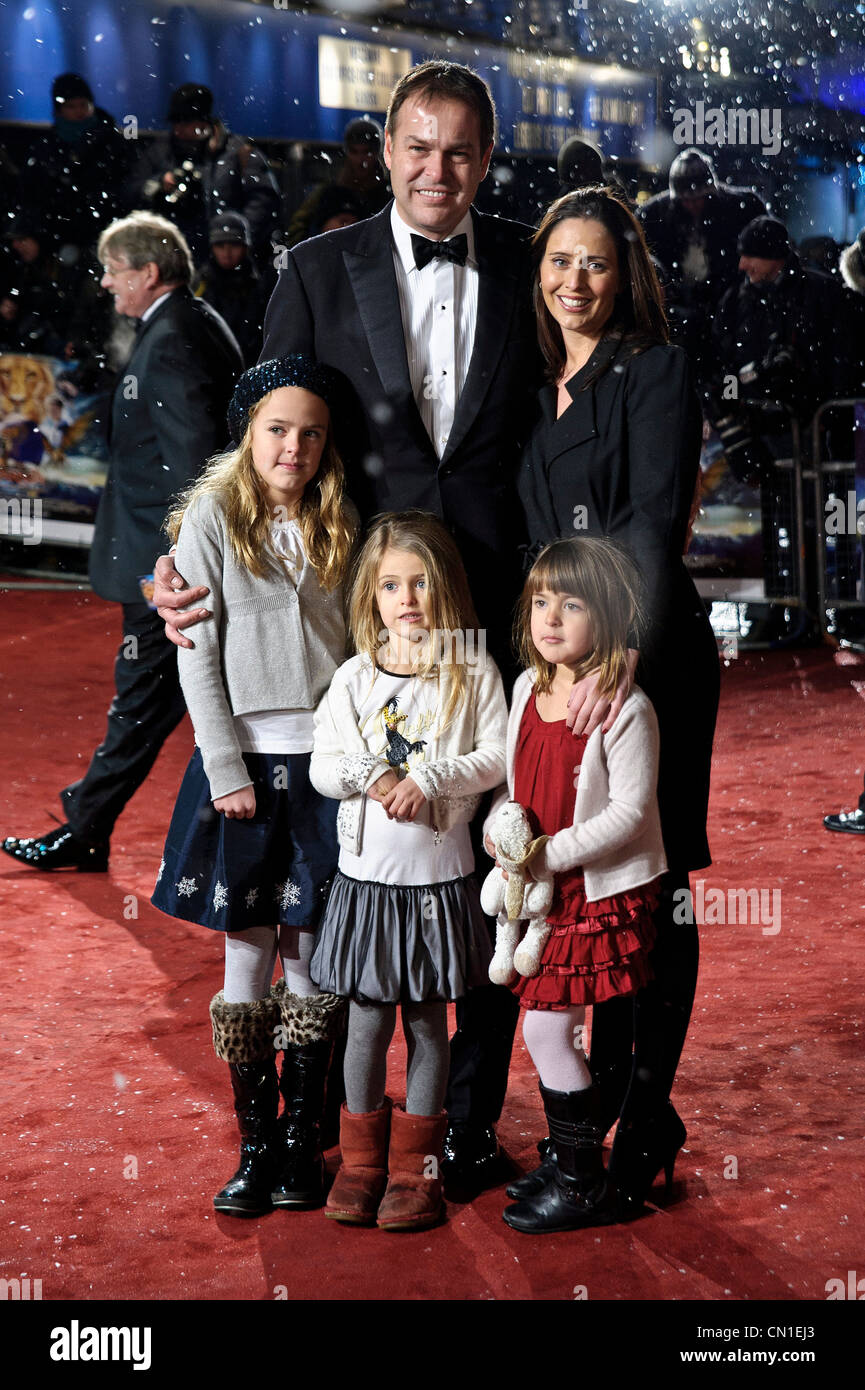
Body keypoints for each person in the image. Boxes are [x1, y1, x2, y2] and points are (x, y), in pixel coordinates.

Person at [152, 60, 541, 1193]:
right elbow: (262, 432)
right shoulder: (318, 268)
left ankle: (462, 1121)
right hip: (359, 632)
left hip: (482, 621)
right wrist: (178, 559)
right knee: (355, 887)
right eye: (419, 146)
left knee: (478, 872)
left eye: (462, 150)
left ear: (487, 155)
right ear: (386, 143)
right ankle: (328, 1125)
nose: (438, 170)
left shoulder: (527, 263)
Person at [517, 186, 719, 1214]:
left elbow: (648, 517)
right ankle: (600, 1113)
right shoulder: (536, 378)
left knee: (656, 873)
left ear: (625, 272)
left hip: (646, 656)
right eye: (559, 261)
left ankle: (645, 1111)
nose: (574, 281)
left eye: (594, 262)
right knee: (589, 881)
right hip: (563, 668)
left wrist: (619, 644)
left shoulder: (654, 368)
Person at [151, 355, 357, 1216]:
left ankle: (304, 1146)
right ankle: (255, 1145)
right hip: (240, 770)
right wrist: (225, 767)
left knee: (310, 951)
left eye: (311, 433)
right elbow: (194, 655)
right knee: (248, 949)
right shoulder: (210, 516)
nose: (293, 447)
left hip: (327, 767)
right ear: (247, 432)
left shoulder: (341, 519)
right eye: (277, 428)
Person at [2, 212, 242, 872]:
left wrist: (178, 560)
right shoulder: (183, 325)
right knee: (154, 702)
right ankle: (88, 823)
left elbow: (194, 461)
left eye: (114, 272)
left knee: (144, 701)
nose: (106, 285)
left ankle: (88, 827)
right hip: (169, 562)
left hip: (164, 570)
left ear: (147, 273)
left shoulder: (170, 339)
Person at [308, 510, 508, 1230]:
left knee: (427, 1024)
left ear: (444, 587)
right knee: (364, 1026)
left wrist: (430, 775)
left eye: (420, 582)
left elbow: (496, 756)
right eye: (391, 584)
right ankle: (362, 1165)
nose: (407, 598)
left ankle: (414, 1173)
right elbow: (322, 764)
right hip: (367, 883)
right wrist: (371, 775)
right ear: (372, 595)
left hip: (436, 882)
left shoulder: (472, 669)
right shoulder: (355, 677)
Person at [484, 536, 665, 1233]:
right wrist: (503, 840)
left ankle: (583, 1181)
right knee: (547, 1031)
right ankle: (569, 1164)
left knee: (545, 1033)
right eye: (539, 602)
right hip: (533, 885)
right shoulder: (526, 686)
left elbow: (628, 812)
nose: (549, 617)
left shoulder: (626, 708)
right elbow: (511, 783)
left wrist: (548, 853)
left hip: (586, 891)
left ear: (610, 616)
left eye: (571, 603)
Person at [127, 83, 280, 266]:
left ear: (204, 122)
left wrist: (231, 242)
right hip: (173, 258)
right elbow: (130, 191)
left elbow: (263, 202)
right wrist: (158, 185)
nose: (179, 130)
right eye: (176, 123)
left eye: (186, 123)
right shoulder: (159, 152)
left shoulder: (239, 153)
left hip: (225, 265)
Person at [19, 73, 129, 258]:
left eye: (84, 105)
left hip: (102, 235)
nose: (79, 112)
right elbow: (31, 194)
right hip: (55, 238)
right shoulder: (46, 147)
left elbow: (122, 189)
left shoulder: (113, 143)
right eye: (71, 106)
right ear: (58, 110)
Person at [286, 117, 390, 247]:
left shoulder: (389, 194)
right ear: (347, 152)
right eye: (354, 152)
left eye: (367, 152)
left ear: (376, 153)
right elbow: (298, 227)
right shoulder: (329, 191)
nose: (360, 160)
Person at [194, 212, 269, 366]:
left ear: (245, 247)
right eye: (220, 246)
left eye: (234, 245)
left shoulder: (260, 286)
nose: (227, 254)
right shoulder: (200, 283)